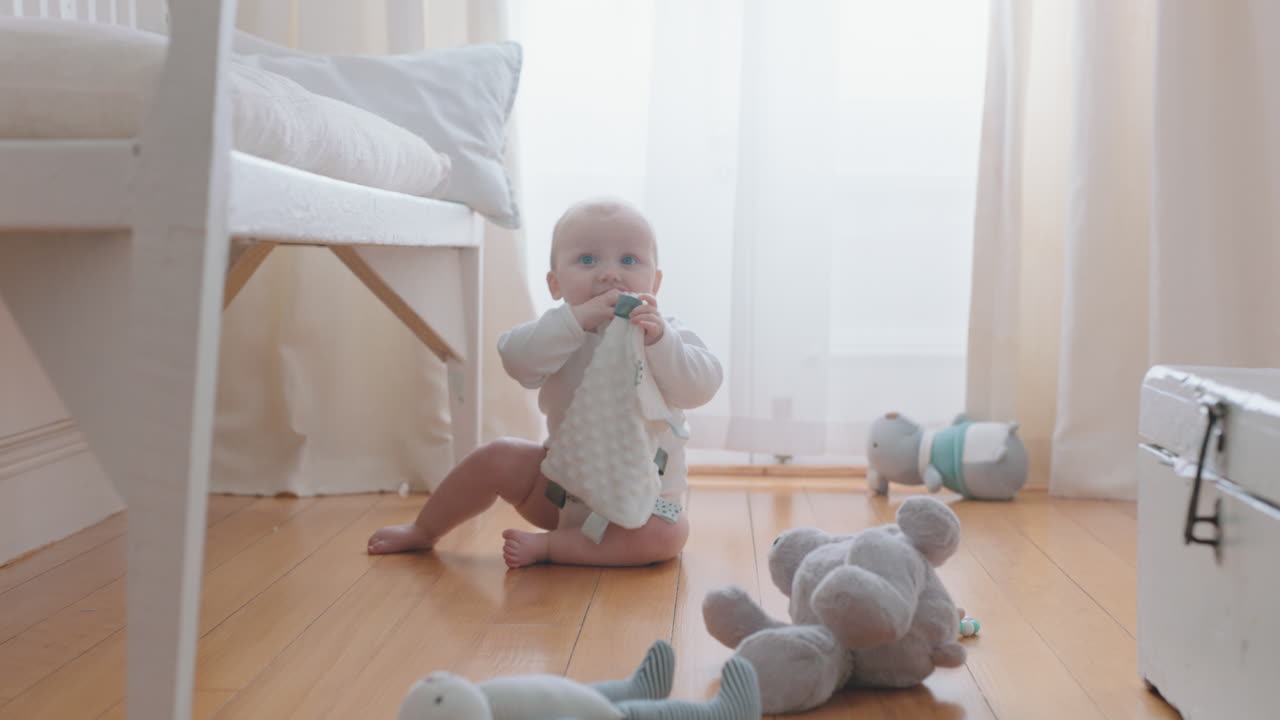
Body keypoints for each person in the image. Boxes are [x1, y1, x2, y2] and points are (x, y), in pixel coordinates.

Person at [366, 197, 722, 567]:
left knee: (670, 534)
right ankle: (424, 529)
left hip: (641, 507)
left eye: (629, 260)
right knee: (498, 454)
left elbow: (701, 387)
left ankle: (553, 547)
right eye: (587, 260)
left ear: (655, 281)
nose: (609, 274)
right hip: (560, 493)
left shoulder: (668, 335)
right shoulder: (559, 330)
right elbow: (517, 360)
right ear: (555, 284)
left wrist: (661, 343)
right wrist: (575, 321)